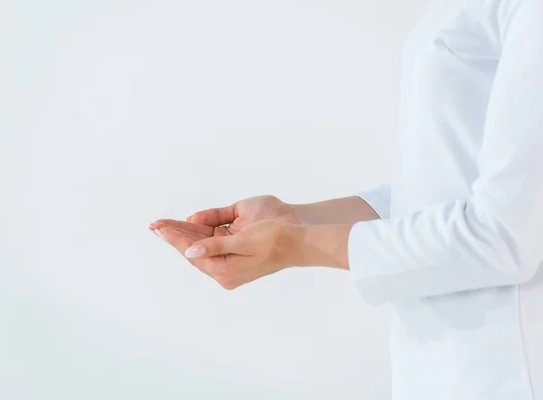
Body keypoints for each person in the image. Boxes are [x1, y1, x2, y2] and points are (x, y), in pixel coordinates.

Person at [149, 0, 543, 398]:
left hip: (507, 369)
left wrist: (291, 246)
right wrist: (292, 220)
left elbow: (506, 233)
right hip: (444, 365)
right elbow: (452, 187)